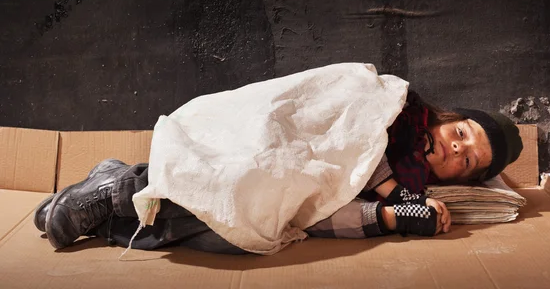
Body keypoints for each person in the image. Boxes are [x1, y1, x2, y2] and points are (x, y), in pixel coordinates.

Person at [34, 91, 522, 254]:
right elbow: (351, 119)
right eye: (462, 132)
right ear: (449, 119)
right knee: (251, 176)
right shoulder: (401, 106)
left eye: (468, 158)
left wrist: (389, 218)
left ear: (463, 179)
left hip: (298, 190)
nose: (456, 147)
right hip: (276, 143)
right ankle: (121, 191)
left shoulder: (416, 190)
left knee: (249, 230)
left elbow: (318, 215)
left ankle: (110, 208)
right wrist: (392, 192)